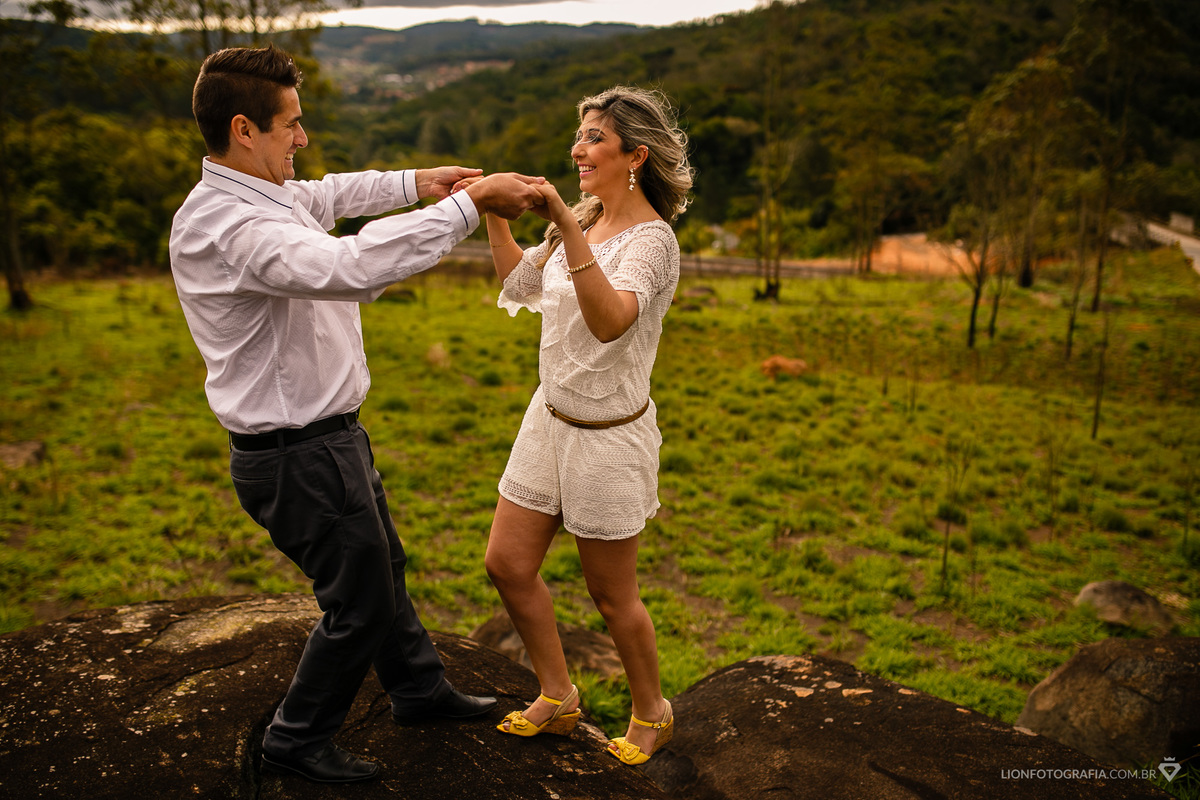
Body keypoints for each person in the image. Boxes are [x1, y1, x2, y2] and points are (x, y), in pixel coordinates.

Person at [168, 45, 546, 784]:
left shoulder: (263, 193)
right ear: (244, 129)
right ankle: (296, 738)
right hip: (296, 454)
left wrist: (419, 182)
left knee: (384, 570)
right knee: (361, 602)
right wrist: (467, 207)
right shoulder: (229, 226)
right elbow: (351, 267)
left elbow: (331, 196)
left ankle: (418, 689)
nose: (302, 138)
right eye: (290, 125)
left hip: (328, 440)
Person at [473, 85, 693, 765]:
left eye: (595, 137)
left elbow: (609, 322)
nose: (578, 149)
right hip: (548, 419)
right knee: (507, 564)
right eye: (580, 136)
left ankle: (652, 711)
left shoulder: (653, 243)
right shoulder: (589, 217)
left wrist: (568, 228)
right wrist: (495, 217)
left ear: (637, 155)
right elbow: (520, 285)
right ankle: (558, 693)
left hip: (608, 436)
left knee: (611, 595)